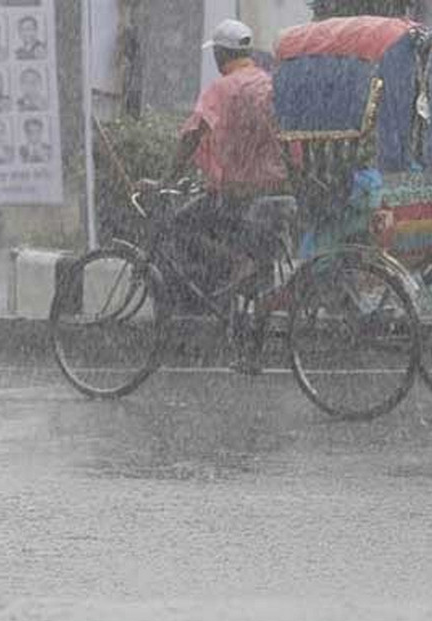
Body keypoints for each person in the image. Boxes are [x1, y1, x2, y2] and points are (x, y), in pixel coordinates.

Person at [157, 19, 287, 373]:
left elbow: (193, 133)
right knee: (264, 272)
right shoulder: (269, 84)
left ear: (221, 53)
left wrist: (168, 176)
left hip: (236, 193)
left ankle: (232, 265)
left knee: (179, 226)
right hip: (274, 191)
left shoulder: (222, 88)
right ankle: (251, 355)